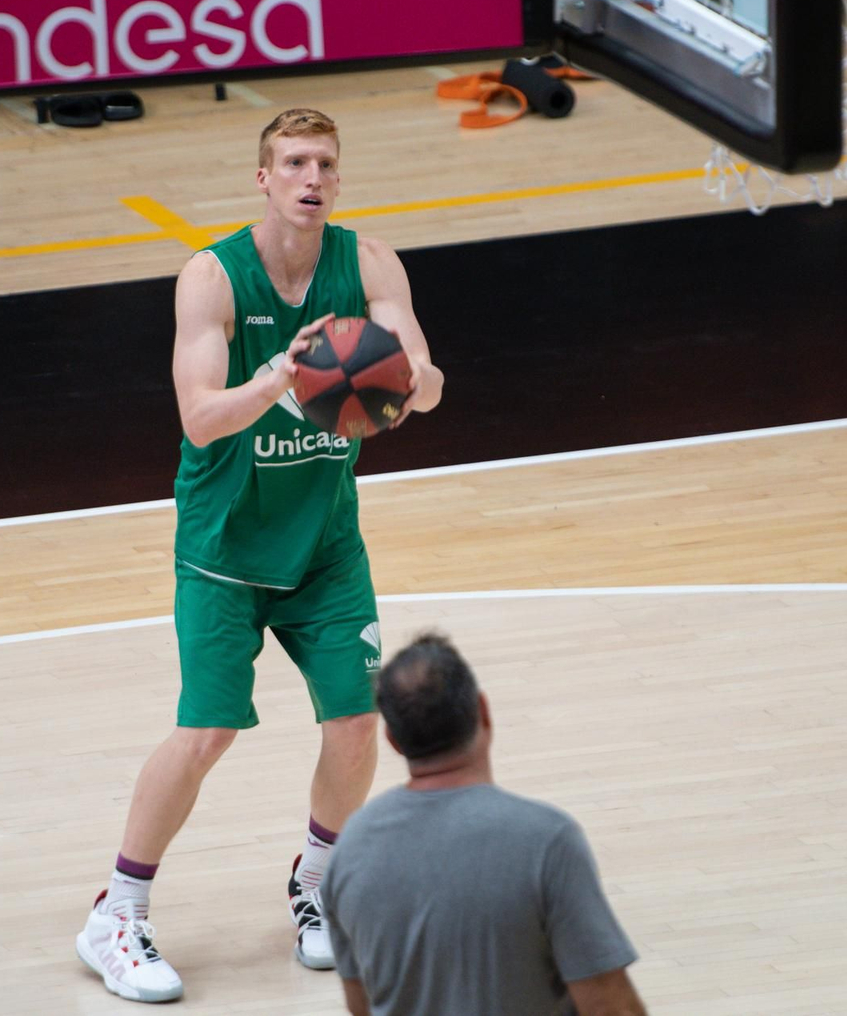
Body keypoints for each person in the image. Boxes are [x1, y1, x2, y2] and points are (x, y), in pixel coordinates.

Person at [75, 108, 444, 1004]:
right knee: (206, 733)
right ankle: (116, 912)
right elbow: (199, 417)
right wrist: (284, 374)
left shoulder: (369, 264)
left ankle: (316, 884)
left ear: (338, 179)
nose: (309, 177)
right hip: (223, 548)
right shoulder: (212, 276)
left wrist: (385, 371)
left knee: (357, 725)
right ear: (263, 178)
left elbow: (428, 392)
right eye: (292, 162)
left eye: (323, 163)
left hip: (323, 543)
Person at [322, 633, 649, 1016]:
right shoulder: (546, 841)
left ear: (392, 738)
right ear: (483, 711)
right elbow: (609, 1006)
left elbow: (361, 1006)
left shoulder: (349, 851)